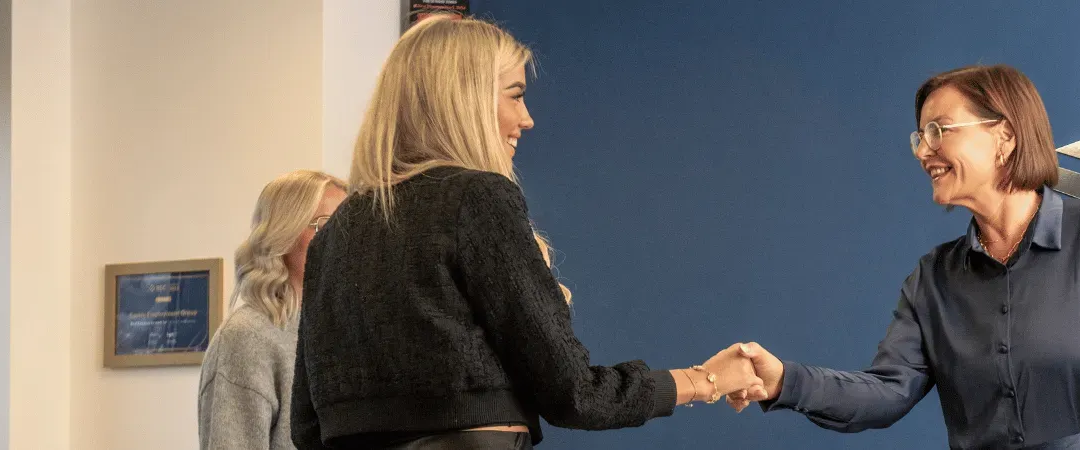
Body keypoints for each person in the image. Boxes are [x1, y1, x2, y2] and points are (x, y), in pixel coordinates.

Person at [291, 16, 762, 450]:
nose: (527, 118)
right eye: (515, 94)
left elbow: (308, 426)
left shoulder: (337, 230)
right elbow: (575, 395)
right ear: (465, 99)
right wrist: (705, 380)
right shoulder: (477, 198)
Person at [730, 65, 1080, 450]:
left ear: (1004, 136)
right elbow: (887, 391)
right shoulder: (932, 279)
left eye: (939, 131)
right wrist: (785, 383)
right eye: (920, 137)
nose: (924, 152)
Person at [199, 170, 348, 450]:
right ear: (285, 235)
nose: (344, 242)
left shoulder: (337, 333)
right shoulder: (246, 337)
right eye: (327, 225)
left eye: (350, 227)